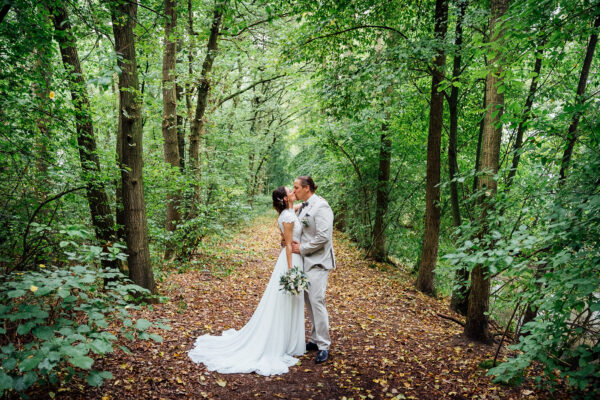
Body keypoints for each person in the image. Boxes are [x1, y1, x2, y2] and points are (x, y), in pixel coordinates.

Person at [188, 187, 305, 376]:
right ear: (284, 198)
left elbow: (297, 208)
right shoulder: (288, 217)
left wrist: (306, 202)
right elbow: (289, 245)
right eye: (289, 190)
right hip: (290, 261)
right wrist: (291, 271)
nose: (293, 190)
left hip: (288, 258)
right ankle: (283, 342)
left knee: (288, 301)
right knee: (285, 301)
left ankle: (289, 340)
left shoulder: (289, 212)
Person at [292, 176, 336, 364]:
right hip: (305, 261)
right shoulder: (304, 206)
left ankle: (324, 345)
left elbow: (323, 237)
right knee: (309, 301)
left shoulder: (321, 206)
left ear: (307, 188)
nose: (294, 191)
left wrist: (301, 248)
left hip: (318, 261)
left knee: (317, 301)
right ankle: (314, 339)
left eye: (296, 188)